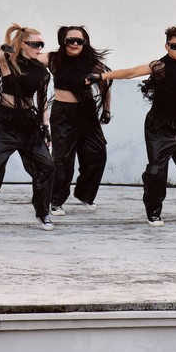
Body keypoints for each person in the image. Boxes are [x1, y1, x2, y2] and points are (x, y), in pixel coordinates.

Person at [87, 26, 176, 226]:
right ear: (167, 46)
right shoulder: (159, 66)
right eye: (175, 46)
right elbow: (131, 72)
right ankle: (153, 211)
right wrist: (101, 76)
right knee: (157, 170)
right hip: (157, 127)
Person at [0, 24, 55, 232]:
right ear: (22, 44)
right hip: (4, 124)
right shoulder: (8, 61)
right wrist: (3, 46)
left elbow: (42, 101)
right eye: (35, 44)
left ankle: (43, 213)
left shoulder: (42, 70)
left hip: (29, 124)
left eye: (41, 44)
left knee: (47, 166)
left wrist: (45, 127)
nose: (39, 48)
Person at [38, 26, 111, 216]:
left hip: (87, 112)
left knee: (98, 153)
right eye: (71, 40)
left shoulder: (92, 62)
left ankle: (84, 194)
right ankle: (56, 200)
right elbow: (31, 57)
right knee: (63, 159)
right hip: (63, 113)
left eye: (80, 41)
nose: (75, 44)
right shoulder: (53, 59)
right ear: (63, 41)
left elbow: (104, 85)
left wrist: (106, 110)